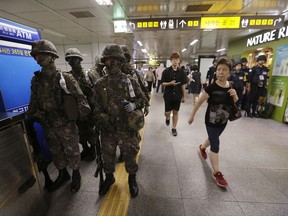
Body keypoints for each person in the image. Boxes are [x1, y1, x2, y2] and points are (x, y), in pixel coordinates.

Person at [27, 39, 91, 193]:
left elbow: (81, 99)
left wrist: (80, 118)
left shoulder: (65, 78)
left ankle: (76, 174)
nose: (39, 59)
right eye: (36, 56)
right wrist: (32, 116)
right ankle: (63, 174)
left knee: (72, 150)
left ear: (52, 56)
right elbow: (33, 102)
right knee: (56, 151)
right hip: (48, 124)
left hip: (66, 124)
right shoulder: (36, 80)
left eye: (42, 55)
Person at [92, 44, 146, 198]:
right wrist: (102, 117)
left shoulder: (130, 81)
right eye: (109, 59)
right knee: (107, 157)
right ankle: (109, 178)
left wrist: (134, 105)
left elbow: (142, 99)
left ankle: (132, 179)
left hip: (127, 129)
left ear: (121, 61)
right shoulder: (99, 84)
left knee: (130, 155)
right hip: (108, 129)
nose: (112, 62)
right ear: (104, 61)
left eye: (116, 59)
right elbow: (96, 107)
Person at [188, 58, 238, 187]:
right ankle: (217, 173)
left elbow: (235, 101)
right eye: (219, 69)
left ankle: (202, 147)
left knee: (212, 139)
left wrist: (235, 95)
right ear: (216, 72)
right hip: (211, 121)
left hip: (224, 120)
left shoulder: (231, 85)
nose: (221, 72)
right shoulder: (211, 88)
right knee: (215, 143)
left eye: (224, 70)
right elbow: (199, 102)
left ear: (229, 72)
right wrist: (192, 116)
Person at [65, 48, 99, 161]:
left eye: (74, 59)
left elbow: (98, 91)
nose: (71, 62)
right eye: (69, 60)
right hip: (76, 110)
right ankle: (85, 148)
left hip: (90, 108)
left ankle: (93, 149)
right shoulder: (68, 76)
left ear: (79, 59)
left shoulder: (88, 74)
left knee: (91, 131)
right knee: (80, 132)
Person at [119, 44, 150, 163]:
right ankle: (122, 152)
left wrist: (146, 104)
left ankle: (133, 148)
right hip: (119, 108)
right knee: (121, 133)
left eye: (125, 58)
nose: (123, 61)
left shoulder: (134, 73)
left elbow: (143, 88)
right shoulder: (112, 73)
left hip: (134, 107)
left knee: (133, 132)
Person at [161, 52, 187, 136]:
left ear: (179, 61)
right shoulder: (166, 71)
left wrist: (184, 96)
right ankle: (167, 118)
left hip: (178, 95)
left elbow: (183, 85)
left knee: (176, 112)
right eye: (174, 60)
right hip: (168, 95)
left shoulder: (182, 72)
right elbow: (162, 83)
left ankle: (174, 128)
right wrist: (170, 83)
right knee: (167, 112)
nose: (175, 61)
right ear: (171, 61)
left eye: (177, 60)